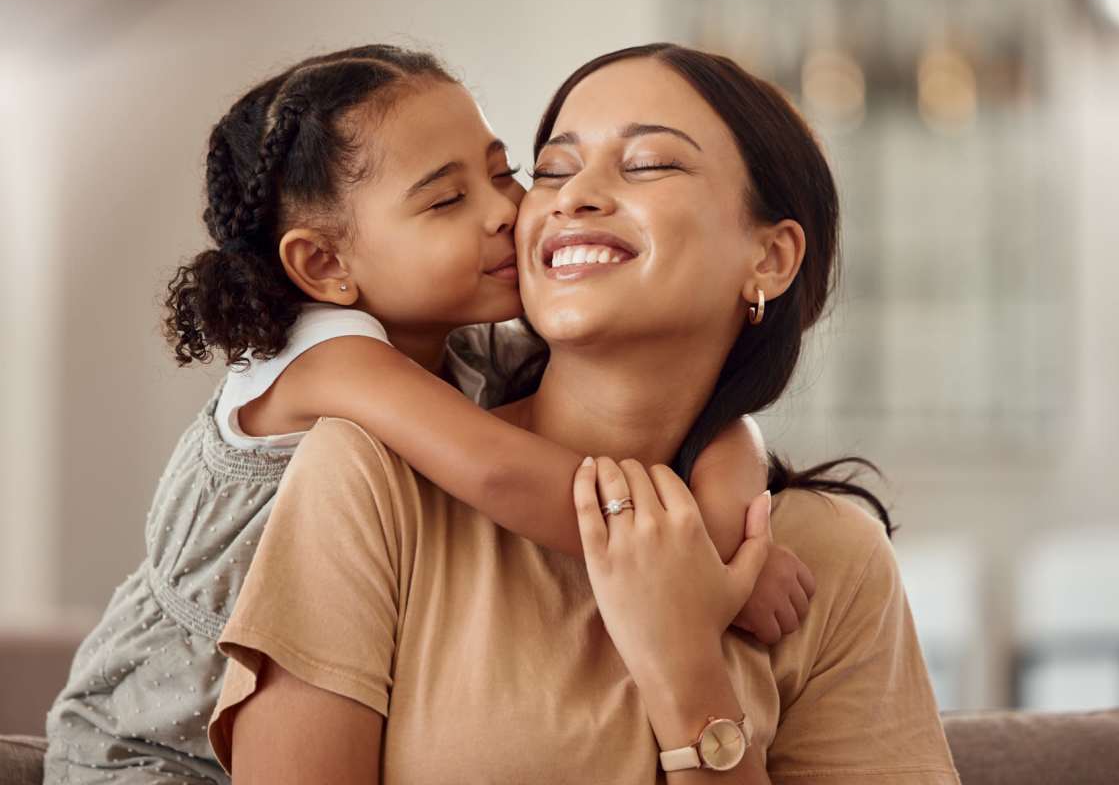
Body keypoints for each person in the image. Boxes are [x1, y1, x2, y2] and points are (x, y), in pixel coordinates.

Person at [43, 44, 812, 784]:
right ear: (325, 265)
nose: (506, 212)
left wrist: (730, 476)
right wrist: (701, 561)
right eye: (446, 199)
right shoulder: (328, 361)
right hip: (149, 751)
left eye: (506, 172)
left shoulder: (471, 350)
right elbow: (504, 470)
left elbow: (690, 414)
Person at [208, 43, 959, 783]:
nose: (569, 197)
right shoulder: (368, 474)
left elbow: (723, 429)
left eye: (649, 163)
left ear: (769, 258)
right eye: (555, 169)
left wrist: (686, 675)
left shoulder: (832, 559)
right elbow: (498, 468)